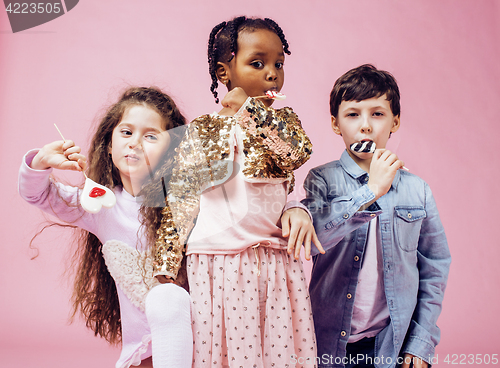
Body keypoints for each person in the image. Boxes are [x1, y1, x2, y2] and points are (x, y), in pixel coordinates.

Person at [148, 16, 324, 368]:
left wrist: (249, 111)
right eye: (257, 63)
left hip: (274, 261)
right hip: (216, 263)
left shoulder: (284, 122)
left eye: (278, 64)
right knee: (223, 351)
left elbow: (296, 153)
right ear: (224, 72)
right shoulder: (201, 129)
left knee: (279, 352)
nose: (272, 73)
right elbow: (181, 198)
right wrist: (166, 265)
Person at [18, 87, 193, 368]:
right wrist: (41, 163)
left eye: (150, 136)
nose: (135, 142)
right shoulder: (102, 205)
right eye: (126, 133)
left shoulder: (189, 202)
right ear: (109, 145)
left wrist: (291, 207)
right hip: (144, 355)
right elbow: (37, 194)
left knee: (170, 297)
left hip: (199, 345)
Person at [302, 64, 451, 368]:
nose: (366, 126)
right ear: (335, 123)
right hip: (328, 343)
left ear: (395, 121)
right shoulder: (320, 180)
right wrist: (371, 190)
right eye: (353, 114)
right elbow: (316, 236)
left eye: (378, 114)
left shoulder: (417, 190)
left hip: (391, 345)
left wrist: (421, 341)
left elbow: (435, 267)